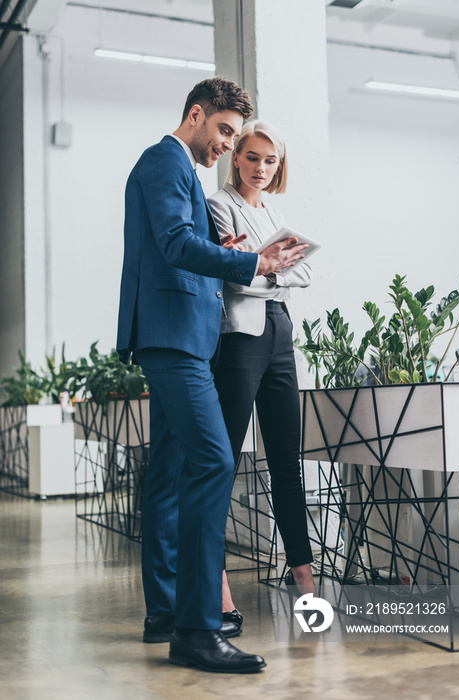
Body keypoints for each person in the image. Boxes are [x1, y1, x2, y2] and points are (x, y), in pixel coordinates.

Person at [116, 79, 308, 674]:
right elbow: (174, 244)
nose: (227, 145)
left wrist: (217, 245)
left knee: (171, 472)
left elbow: (183, 243)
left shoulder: (181, 171)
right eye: (224, 131)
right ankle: (198, 629)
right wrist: (253, 260)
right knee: (215, 461)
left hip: (187, 336)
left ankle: (166, 612)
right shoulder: (163, 161)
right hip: (173, 336)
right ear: (195, 115)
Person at [208, 121, 317, 622]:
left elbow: (304, 272)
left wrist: (259, 265)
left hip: (279, 335)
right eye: (252, 157)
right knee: (224, 461)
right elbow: (228, 274)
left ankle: (303, 573)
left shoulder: (272, 210)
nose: (260, 167)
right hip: (240, 339)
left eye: (270, 160)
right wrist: (264, 267)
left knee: (285, 460)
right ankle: (216, 580)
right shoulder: (219, 206)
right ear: (237, 159)